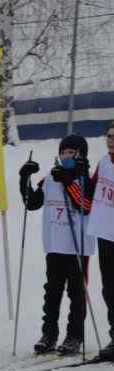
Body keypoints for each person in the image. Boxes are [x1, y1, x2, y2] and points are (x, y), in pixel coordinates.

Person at [19, 133, 95, 355]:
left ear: (80, 155)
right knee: (52, 292)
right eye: (62, 153)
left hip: (77, 246)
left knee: (76, 292)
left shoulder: (87, 178)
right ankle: (49, 333)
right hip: (54, 244)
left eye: (71, 153)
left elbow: (86, 205)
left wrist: (69, 181)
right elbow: (31, 203)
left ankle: (74, 335)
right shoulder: (50, 178)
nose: (65, 157)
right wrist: (24, 178)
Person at [89, 123, 114, 359]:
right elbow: (90, 193)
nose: (110, 141)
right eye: (108, 136)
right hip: (106, 234)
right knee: (110, 289)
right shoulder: (104, 162)